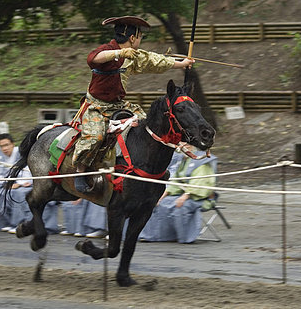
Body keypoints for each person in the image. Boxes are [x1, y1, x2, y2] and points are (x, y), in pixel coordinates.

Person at [72, 16, 194, 194]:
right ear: (132, 38)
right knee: (95, 137)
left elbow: (154, 60)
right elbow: (93, 58)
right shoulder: (108, 50)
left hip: (119, 104)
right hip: (96, 106)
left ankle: (143, 166)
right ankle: (80, 172)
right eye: (140, 37)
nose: (140, 40)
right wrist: (119, 53)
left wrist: (182, 64)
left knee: (148, 127)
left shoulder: (135, 55)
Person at [139, 147, 217, 243]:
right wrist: (162, 196)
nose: (184, 146)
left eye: (188, 144)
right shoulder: (183, 160)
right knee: (158, 204)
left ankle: (184, 237)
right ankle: (155, 235)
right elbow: (175, 182)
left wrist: (185, 196)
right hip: (181, 194)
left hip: (199, 197)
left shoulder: (201, 162)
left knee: (181, 206)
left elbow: (200, 184)